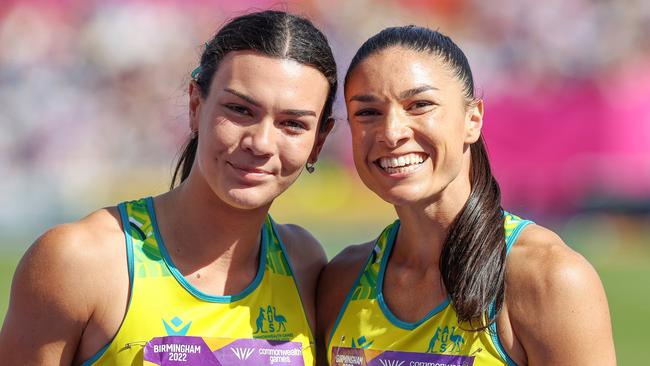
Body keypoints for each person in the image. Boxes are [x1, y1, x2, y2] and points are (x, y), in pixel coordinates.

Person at [0, 10, 337, 365]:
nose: (261, 142)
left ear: (319, 141)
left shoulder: (304, 264)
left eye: (293, 124)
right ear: (195, 105)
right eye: (239, 109)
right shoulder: (80, 261)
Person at [317, 26, 616, 365]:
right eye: (368, 112)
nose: (391, 133)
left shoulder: (548, 278)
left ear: (473, 119)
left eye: (420, 105)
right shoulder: (341, 280)